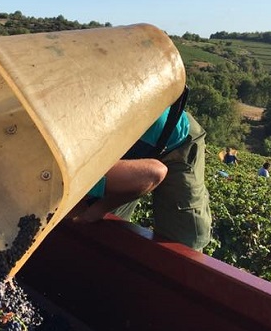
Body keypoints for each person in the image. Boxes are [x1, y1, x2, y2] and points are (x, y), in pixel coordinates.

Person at [72, 88, 212, 253]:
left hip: (176, 139)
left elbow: (153, 174)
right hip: (127, 144)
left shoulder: (80, 174)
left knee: (184, 243)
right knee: (104, 226)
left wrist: (100, 208)